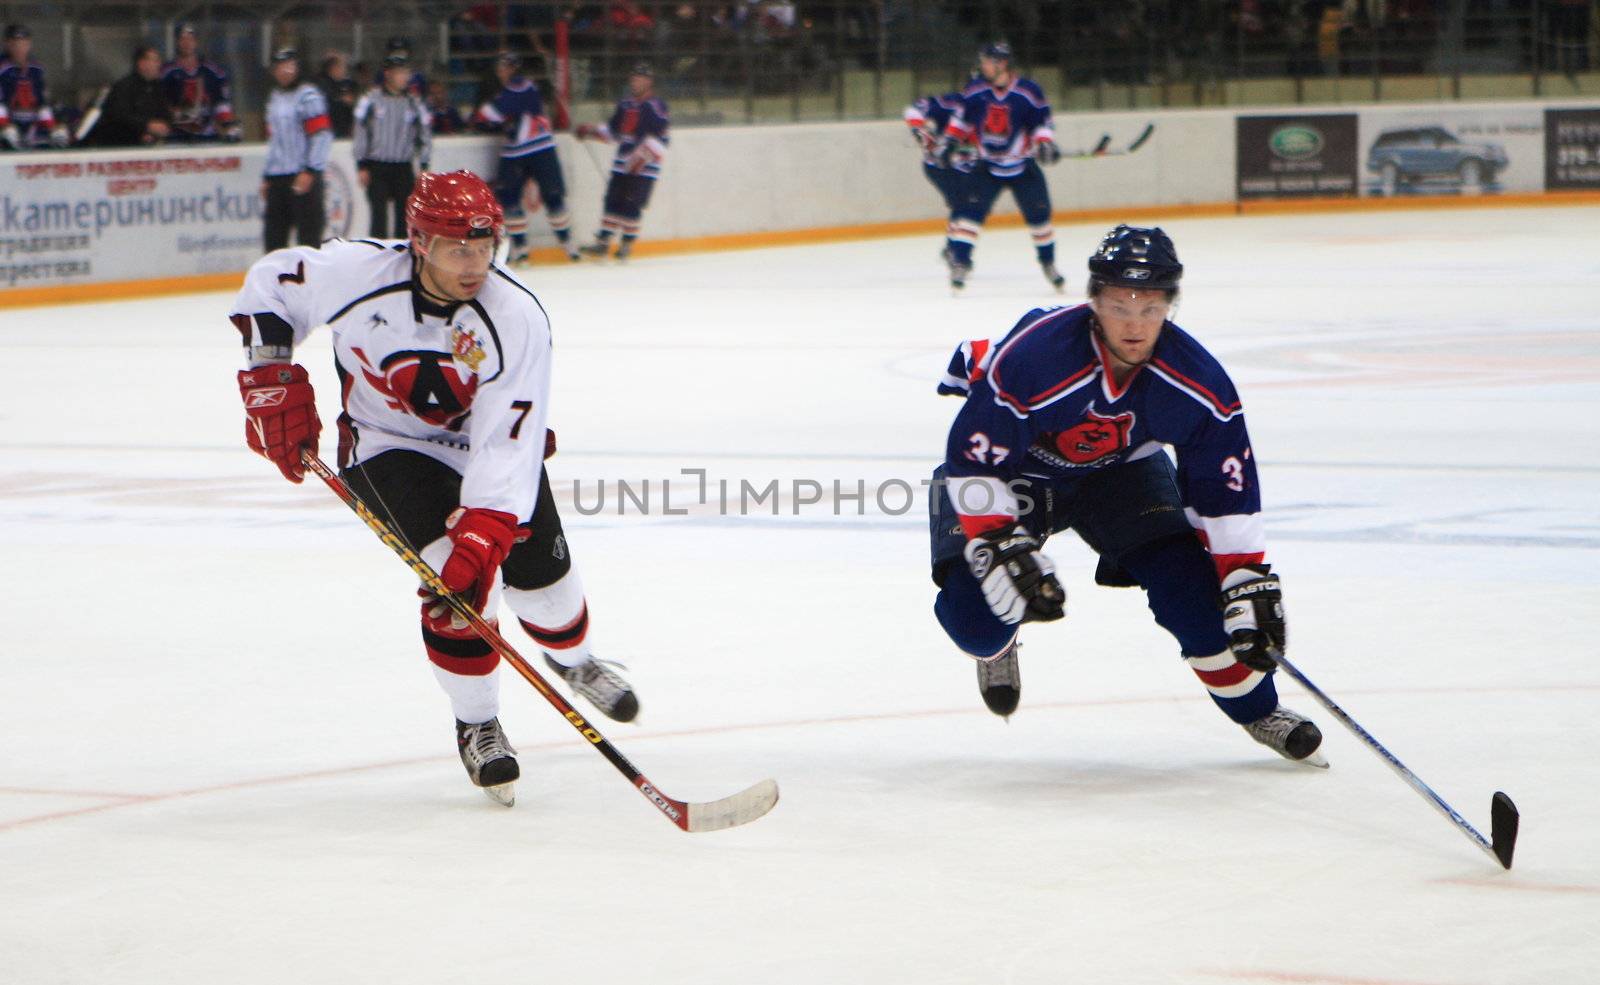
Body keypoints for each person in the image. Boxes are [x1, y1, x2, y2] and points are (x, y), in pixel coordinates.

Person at [228, 170, 640, 806]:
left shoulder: (515, 316)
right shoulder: (356, 274)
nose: (476, 264)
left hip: (482, 447)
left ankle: (575, 660)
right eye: (458, 249)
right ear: (419, 241)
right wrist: (269, 373)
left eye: (486, 247)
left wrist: (487, 529)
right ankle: (478, 722)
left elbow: (506, 442)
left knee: (545, 589)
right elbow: (272, 285)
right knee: (456, 585)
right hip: (384, 448)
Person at [926, 225, 1325, 767]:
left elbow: (1221, 488)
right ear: (1093, 302)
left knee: (1197, 597)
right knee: (979, 616)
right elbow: (973, 459)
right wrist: (996, 540)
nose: (1135, 327)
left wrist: (1243, 576)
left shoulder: (1198, 383)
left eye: (1150, 309)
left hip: (1120, 471)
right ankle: (997, 644)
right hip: (1015, 475)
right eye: (1119, 306)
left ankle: (1257, 709)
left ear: (1170, 306)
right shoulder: (1033, 359)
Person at [939, 42, 1064, 293]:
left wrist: (1045, 143)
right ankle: (961, 263)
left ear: (1001, 64)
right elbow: (961, 120)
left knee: (1040, 219)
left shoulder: (1029, 92)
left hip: (1022, 165)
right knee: (969, 215)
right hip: (987, 165)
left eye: (986, 61)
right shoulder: (976, 90)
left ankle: (1048, 264)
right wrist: (950, 143)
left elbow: (1042, 122)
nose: (982, 66)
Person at [474, 52, 579, 263]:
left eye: (504, 67)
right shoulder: (508, 90)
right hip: (517, 150)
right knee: (509, 198)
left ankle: (568, 245)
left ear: (513, 68)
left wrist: (485, 112)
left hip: (537, 148)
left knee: (552, 196)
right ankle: (522, 248)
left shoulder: (521, 86)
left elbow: (492, 113)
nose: (501, 71)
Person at [574, 62, 670, 262]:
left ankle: (626, 244)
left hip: (644, 165)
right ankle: (603, 243)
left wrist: (642, 157)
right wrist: (591, 132)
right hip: (622, 163)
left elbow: (662, 136)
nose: (636, 82)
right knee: (612, 200)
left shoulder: (656, 106)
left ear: (649, 82)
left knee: (632, 203)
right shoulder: (625, 105)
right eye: (634, 78)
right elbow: (614, 132)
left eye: (641, 78)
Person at [353, 52, 433, 238]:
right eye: (399, 73)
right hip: (377, 165)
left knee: (404, 217)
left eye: (406, 73)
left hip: (403, 166)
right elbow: (361, 132)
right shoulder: (371, 100)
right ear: (388, 74)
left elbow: (425, 134)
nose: (404, 77)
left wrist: (424, 164)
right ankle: (377, 255)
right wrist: (362, 165)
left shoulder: (414, 102)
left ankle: (400, 256)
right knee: (378, 216)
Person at [260, 48, 332, 253]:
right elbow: (275, 140)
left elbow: (321, 136)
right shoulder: (274, 97)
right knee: (273, 239)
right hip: (278, 176)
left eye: (289, 66)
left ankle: (311, 282)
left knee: (308, 239)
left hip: (302, 174)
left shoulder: (308, 96)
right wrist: (267, 175)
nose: (285, 71)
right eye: (280, 67)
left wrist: (310, 169)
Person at [904, 83, 974, 265]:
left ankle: (953, 248)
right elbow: (914, 110)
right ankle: (954, 250)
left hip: (965, 166)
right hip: (940, 165)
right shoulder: (952, 102)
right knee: (963, 204)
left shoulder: (1001, 106)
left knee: (967, 205)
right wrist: (918, 129)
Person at [160, 23, 241, 142]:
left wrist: (229, 125)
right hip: (175, 138)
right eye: (182, 38)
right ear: (176, 42)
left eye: (190, 38)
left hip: (208, 137)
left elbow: (222, 103)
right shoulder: (165, 72)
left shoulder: (213, 71)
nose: (187, 43)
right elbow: (159, 104)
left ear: (196, 42)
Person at [0, 24, 67, 150]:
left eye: (23, 43)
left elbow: (42, 103)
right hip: (8, 126)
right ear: (7, 44)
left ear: (29, 44)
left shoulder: (36, 69)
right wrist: (4, 126)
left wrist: (52, 127)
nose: (19, 48)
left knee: (59, 136)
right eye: (15, 44)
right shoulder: (2, 68)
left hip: (32, 126)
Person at [93, 45, 172, 147]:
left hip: (151, 144)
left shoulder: (158, 87)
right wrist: (145, 127)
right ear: (142, 63)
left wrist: (162, 128)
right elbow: (120, 117)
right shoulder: (124, 87)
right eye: (155, 61)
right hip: (121, 145)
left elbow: (165, 113)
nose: (159, 64)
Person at [315, 50, 358, 138]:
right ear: (334, 67)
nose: (345, 70)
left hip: (342, 134)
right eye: (343, 66)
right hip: (328, 134)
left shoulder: (343, 84)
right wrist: (342, 101)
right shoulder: (322, 84)